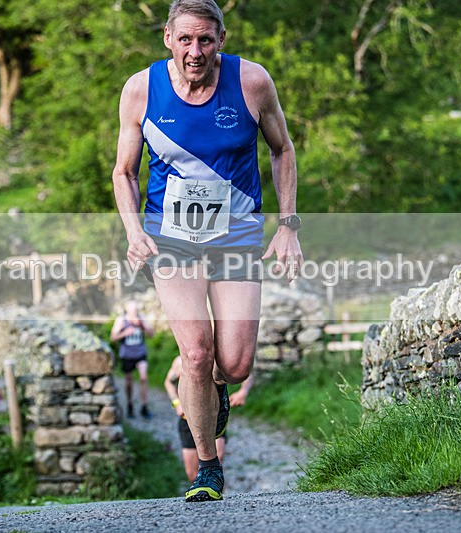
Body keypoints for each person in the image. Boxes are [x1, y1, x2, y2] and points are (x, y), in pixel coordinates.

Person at [112, 0, 302, 502]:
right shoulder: (141, 90)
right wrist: (134, 232)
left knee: (234, 364)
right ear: (168, 39)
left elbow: (283, 151)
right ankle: (208, 470)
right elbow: (124, 173)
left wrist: (288, 226)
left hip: (236, 234)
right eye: (185, 40)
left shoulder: (251, 82)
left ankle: (214, 388)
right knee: (195, 353)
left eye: (206, 40)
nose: (195, 51)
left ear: (221, 39)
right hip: (170, 237)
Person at [164, 355, 254, 482]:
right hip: (187, 421)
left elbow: (246, 372)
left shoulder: (219, 359)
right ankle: (203, 495)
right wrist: (176, 403)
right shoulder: (180, 361)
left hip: (214, 418)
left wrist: (243, 392)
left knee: (218, 459)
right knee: (192, 474)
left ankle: (217, 493)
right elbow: (168, 382)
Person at [110, 300, 155, 419]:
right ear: (127, 310)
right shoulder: (121, 320)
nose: (135, 312)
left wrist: (143, 326)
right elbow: (113, 337)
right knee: (128, 382)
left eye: (136, 310)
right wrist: (125, 333)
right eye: (133, 310)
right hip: (127, 355)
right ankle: (130, 404)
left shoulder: (141, 318)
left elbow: (152, 334)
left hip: (140, 354)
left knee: (143, 378)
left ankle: (144, 407)